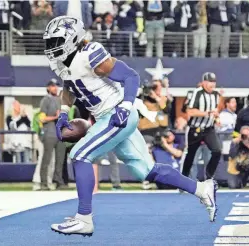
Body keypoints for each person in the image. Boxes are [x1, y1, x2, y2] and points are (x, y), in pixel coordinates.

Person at [43, 16, 217, 236]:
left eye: (55, 41)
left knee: (79, 155)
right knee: (146, 170)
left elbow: (130, 76)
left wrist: (125, 107)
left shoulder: (90, 54)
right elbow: (68, 90)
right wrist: (63, 114)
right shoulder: (63, 64)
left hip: (117, 113)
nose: (51, 47)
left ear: (72, 38)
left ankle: (84, 219)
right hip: (107, 116)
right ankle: (202, 189)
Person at [182, 72, 223, 180]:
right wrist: (207, 113)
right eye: (210, 82)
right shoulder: (197, 93)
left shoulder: (215, 95)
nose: (212, 84)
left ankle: (209, 177)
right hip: (196, 128)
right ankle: (183, 179)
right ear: (204, 82)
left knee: (217, 151)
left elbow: (215, 111)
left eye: (214, 82)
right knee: (191, 155)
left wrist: (217, 118)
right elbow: (190, 111)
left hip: (209, 128)